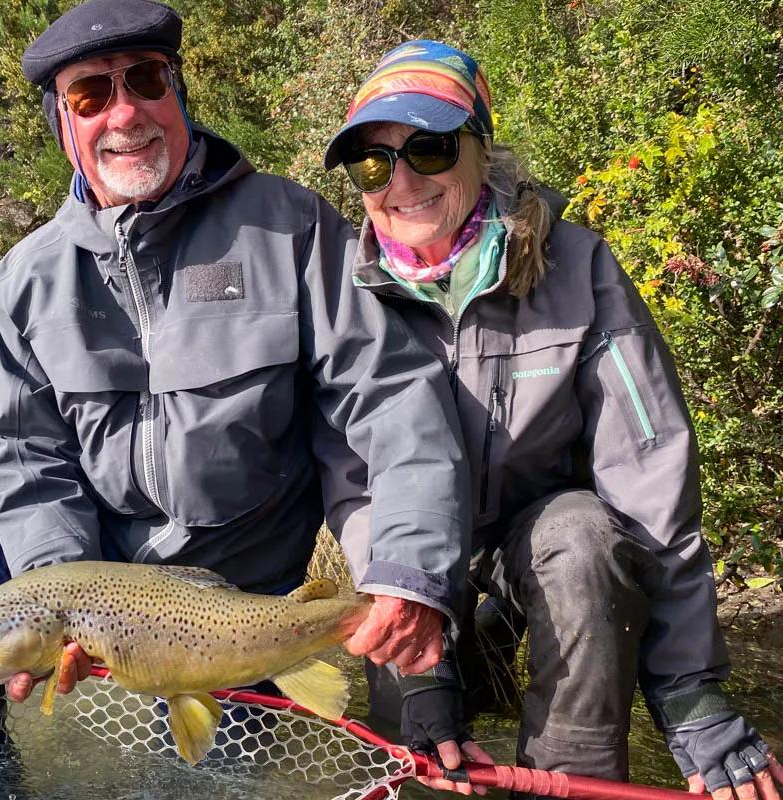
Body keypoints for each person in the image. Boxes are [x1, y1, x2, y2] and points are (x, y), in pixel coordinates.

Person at [0, 0, 476, 773]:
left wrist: (409, 574)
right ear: (62, 123)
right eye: (91, 96)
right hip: (91, 562)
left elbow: (391, 400)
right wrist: (56, 596)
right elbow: (25, 464)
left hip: (238, 584)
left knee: (203, 778)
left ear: (179, 90)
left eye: (146, 80)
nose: (125, 111)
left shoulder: (289, 227)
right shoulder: (19, 283)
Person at [322, 39, 783, 800]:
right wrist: (422, 665)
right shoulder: (339, 291)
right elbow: (352, 489)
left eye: (429, 150)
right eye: (372, 162)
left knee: (584, 539)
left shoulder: (579, 267)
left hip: (533, 540)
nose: (399, 181)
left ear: (482, 151)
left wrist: (692, 697)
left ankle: (573, 774)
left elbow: (651, 478)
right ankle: (449, 679)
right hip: (402, 555)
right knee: (413, 730)